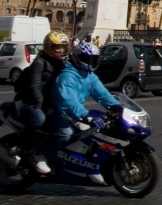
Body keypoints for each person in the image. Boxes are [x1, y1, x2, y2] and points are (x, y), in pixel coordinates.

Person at [51, 42, 121, 178]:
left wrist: (117, 106)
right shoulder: (67, 76)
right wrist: (85, 115)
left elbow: (102, 94)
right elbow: (69, 102)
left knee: (99, 126)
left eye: (93, 60)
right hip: (60, 112)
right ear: (78, 57)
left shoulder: (89, 75)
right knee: (67, 133)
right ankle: (47, 157)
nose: (90, 63)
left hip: (75, 112)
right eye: (87, 59)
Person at [2, 32, 69, 172]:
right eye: (58, 47)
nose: (61, 51)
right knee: (39, 119)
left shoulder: (63, 64)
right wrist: (42, 105)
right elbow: (34, 86)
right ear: (48, 47)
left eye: (63, 47)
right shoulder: (39, 63)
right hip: (29, 101)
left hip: (48, 103)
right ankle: (16, 144)